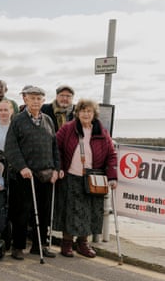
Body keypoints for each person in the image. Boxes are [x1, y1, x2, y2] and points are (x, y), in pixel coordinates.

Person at [54, 99, 117, 258]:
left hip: (94, 178)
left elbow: (111, 155)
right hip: (71, 176)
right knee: (70, 211)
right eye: (83, 111)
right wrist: (59, 168)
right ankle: (67, 243)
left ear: (94, 113)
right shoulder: (68, 128)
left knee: (88, 213)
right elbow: (56, 149)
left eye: (89, 111)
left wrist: (112, 177)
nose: (86, 114)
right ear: (77, 113)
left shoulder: (101, 132)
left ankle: (83, 244)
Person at [4, 86, 59, 260]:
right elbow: (11, 148)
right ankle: (18, 247)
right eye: (32, 98)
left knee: (44, 212)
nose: (36, 101)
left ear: (43, 101)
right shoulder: (18, 121)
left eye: (39, 98)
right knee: (22, 212)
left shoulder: (49, 120)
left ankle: (40, 245)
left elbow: (55, 147)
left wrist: (57, 169)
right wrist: (22, 167)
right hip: (25, 175)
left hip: (46, 174)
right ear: (25, 100)